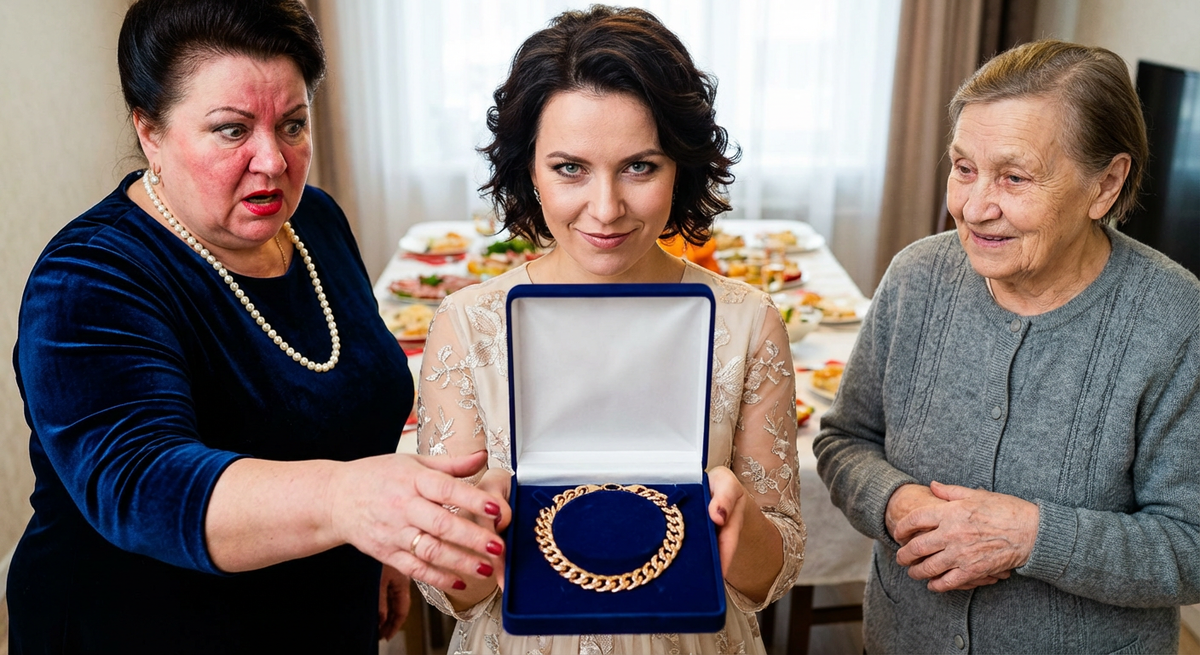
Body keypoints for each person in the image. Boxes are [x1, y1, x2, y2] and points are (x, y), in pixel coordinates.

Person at [6, 1, 509, 652]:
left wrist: (378, 542)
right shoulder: (89, 279)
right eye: (231, 130)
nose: (272, 160)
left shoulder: (314, 222)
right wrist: (348, 502)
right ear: (149, 130)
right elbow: (143, 483)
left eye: (292, 124)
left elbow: (353, 398)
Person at [411, 6, 806, 654]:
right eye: (570, 168)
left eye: (639, 167)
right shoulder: (466, 325)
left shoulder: (747, 321)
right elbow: (451, 593)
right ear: (529, 169)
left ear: (680, 167)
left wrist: (742, 529)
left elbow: (775, 571)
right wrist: (473, 536)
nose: (605, 208)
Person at [814, 39, 1200, 654]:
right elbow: (843, 440)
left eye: (1014, 178)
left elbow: (1191, 542)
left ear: (1105, 184)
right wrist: (896, 503)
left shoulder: (1175, 319)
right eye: (963, 168)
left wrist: (1030, 536)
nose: (973, 208)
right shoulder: (916, 277)